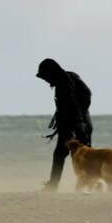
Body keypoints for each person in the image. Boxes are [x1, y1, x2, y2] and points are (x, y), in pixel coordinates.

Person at [36, 58, 93, 191]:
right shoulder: (70, 77)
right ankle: (92, 184)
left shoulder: (63, 84)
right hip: (79, 123)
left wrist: (78, 123)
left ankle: (54, 186)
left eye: (45, 76)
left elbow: (73, 103)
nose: (45, 80)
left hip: (75, 124)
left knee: (69, 155)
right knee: (80, 156)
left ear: (52, 73)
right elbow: (84, 98)